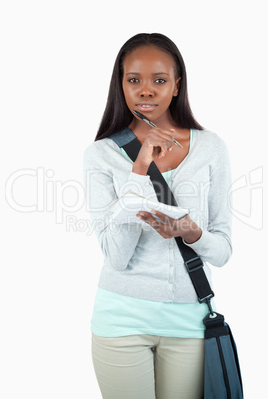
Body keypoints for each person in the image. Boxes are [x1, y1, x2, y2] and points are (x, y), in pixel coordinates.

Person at [83, 33, 232, 399]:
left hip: (187, 320)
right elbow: (116, 258)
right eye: (134, 80)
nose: (146, 90)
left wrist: (192, 233)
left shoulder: (210, 148)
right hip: (121, 320)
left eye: (159, 80)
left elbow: (223, 251)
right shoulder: (100, 155)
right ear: (121, 85)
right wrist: (140, 167)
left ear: (177, 85)